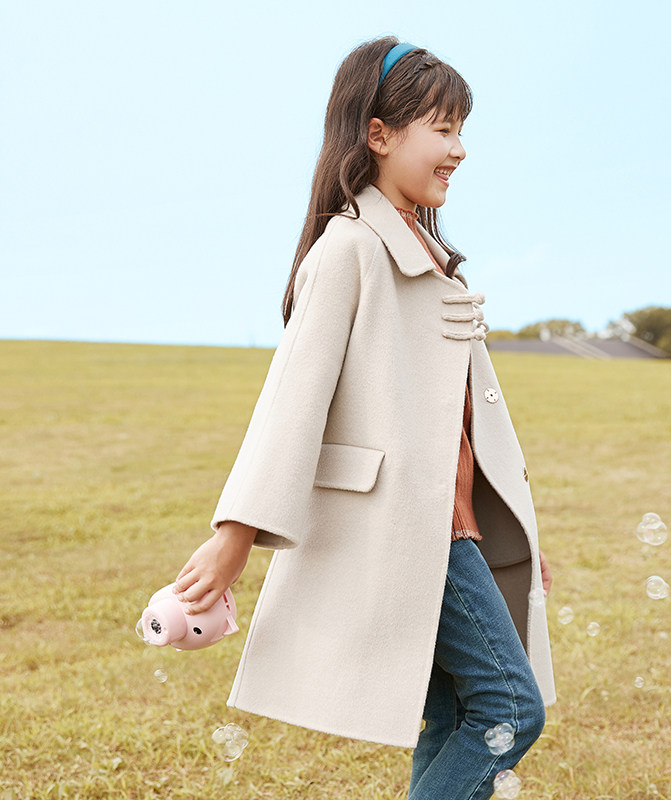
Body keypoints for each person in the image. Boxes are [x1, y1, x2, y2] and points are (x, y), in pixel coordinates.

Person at [173, 36, 556, 800]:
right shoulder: (348, 249)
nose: (459, 149)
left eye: (461, 130)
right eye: (442, 129)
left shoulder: (430, 257)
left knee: (458, 711)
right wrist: (234, 536)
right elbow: (291, 403)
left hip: (455, 527)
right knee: (510, 708)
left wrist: (514, 534)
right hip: (410, 530)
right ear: (378, 134)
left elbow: (460, 424)